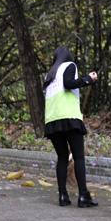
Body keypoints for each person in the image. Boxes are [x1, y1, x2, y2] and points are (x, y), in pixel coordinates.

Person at [43, 46, 98, 208]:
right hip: (69, 118)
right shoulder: (70, 66)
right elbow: (68, 84)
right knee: (79, 157)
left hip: (52, 121)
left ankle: (62, 195)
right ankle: (83, 196)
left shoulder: (49, 75)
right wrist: (88, 79)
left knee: (61, 158)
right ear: (68, 56)